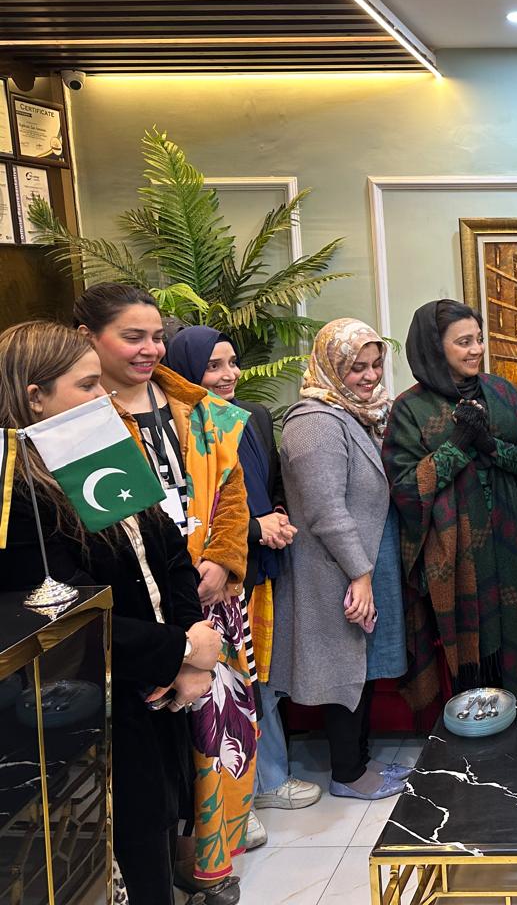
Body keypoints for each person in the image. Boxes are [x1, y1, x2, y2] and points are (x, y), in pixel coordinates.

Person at [0, 321, 221, 905]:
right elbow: (63, 616)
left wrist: (190, 646)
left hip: (161, 683)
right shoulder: (17, 495)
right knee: (126, 850)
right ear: (35, 396)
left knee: (162, 820)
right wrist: (178, 653)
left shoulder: (95, 450)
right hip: (94, 701)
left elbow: (170, 549)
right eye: (87, 386)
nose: (104, 398)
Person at [74, 283, 253, 901]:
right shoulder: (82, 430)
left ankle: (206, 859)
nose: (150, 349)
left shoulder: (195, 406)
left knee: (210, 744)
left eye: (157, 336)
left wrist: (223, 563)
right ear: (88, 341)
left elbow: (230, 494)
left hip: (204, 604)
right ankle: (167, 863)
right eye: (133, 337)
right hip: (133, 617)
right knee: (152, 765)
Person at [162, 327, 319, 851]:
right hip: (213, 580)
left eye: (232, 363)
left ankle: (266, 781)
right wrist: (254, 528)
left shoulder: (253, 416)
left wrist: (275, 518)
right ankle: (235, 801)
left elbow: (267, 486)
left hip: (259, 569)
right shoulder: (179, 429)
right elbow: (191, 511)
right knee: (222, 687)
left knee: (259, 682)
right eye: (213, 366)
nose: (228, 374)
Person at [383, 299, 517, 713]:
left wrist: (491, 446)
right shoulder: (410, 409)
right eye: (463, 342)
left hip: (516, 547)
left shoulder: (503, 393)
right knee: (470, 661)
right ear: (434, 347)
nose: (476, 349)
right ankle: (474, 738)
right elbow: (405, 487)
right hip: (455, 559)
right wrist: (457, 446)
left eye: (478, 339)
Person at [274, 318, 409, 800]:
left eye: (375, 365)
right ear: (331, 367)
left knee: (360, 666)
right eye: (357, 367)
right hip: (335, 568)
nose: (370, 376)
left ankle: (360, 762)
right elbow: (326, 511)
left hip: (357, 563)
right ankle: (348, 774)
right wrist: (360, 574)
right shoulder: (315, 422)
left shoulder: (354, 413)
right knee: (343, 669)